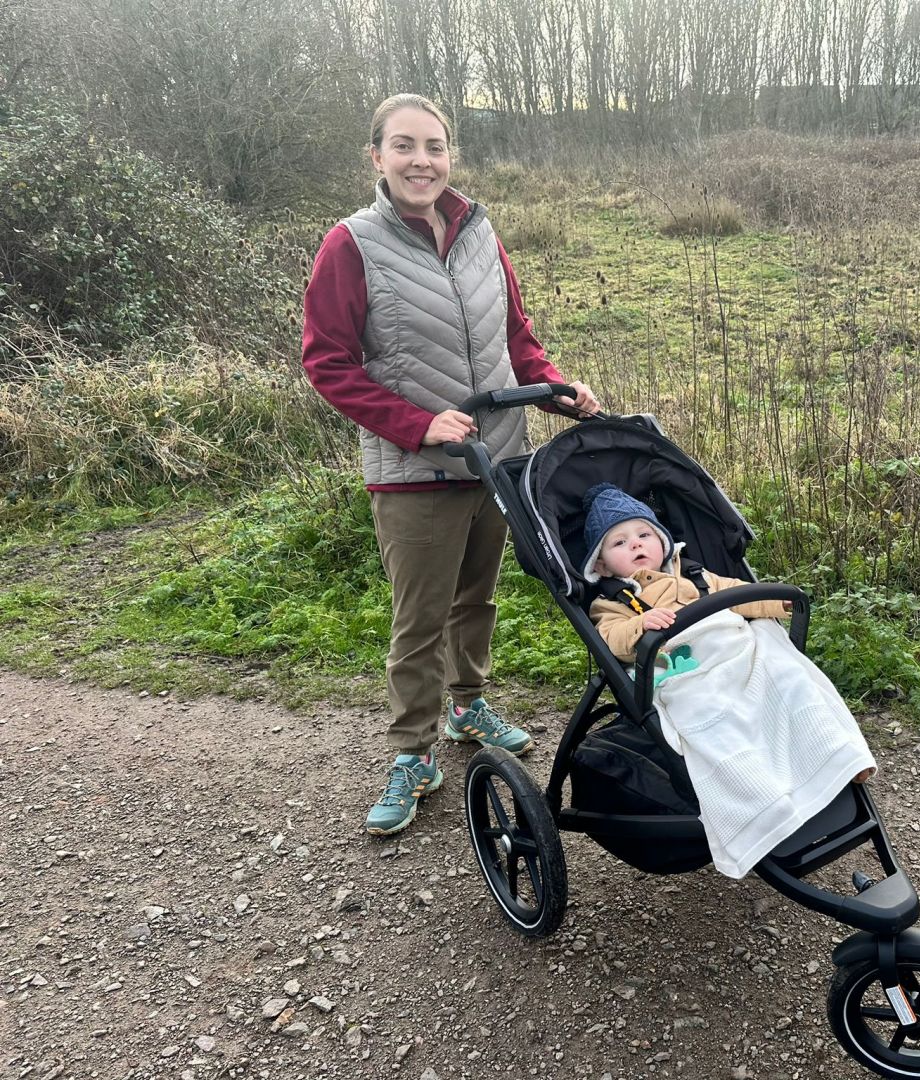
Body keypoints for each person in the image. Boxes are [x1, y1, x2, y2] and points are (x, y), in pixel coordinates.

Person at [302, 93, 599, 837]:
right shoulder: (352, 244)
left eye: (433, 146)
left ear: (450, 156)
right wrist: (417, 424)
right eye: (403, 146)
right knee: (420, 619)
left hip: (498, 457)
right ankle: (412, 752)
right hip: (413, 470)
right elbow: (327, 363)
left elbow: (514, 335)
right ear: (376, 157)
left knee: (478, 599)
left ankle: (468, 708)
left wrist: (555, 389)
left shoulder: (478, 231)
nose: (421, 161)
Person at [581, 483, 876, 787]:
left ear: (663, 541)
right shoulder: (612, 602)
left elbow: (739, 594)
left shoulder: (696, 575)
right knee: (710, 711)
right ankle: (757, 785)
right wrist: (639, 626)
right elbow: (610, 638)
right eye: (619, 542)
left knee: (789, 675)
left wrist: (776, 601)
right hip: (690, 670)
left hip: (735, 650)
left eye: (644, 535)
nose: (635, 545)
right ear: (601, 565)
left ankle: (836, 753)